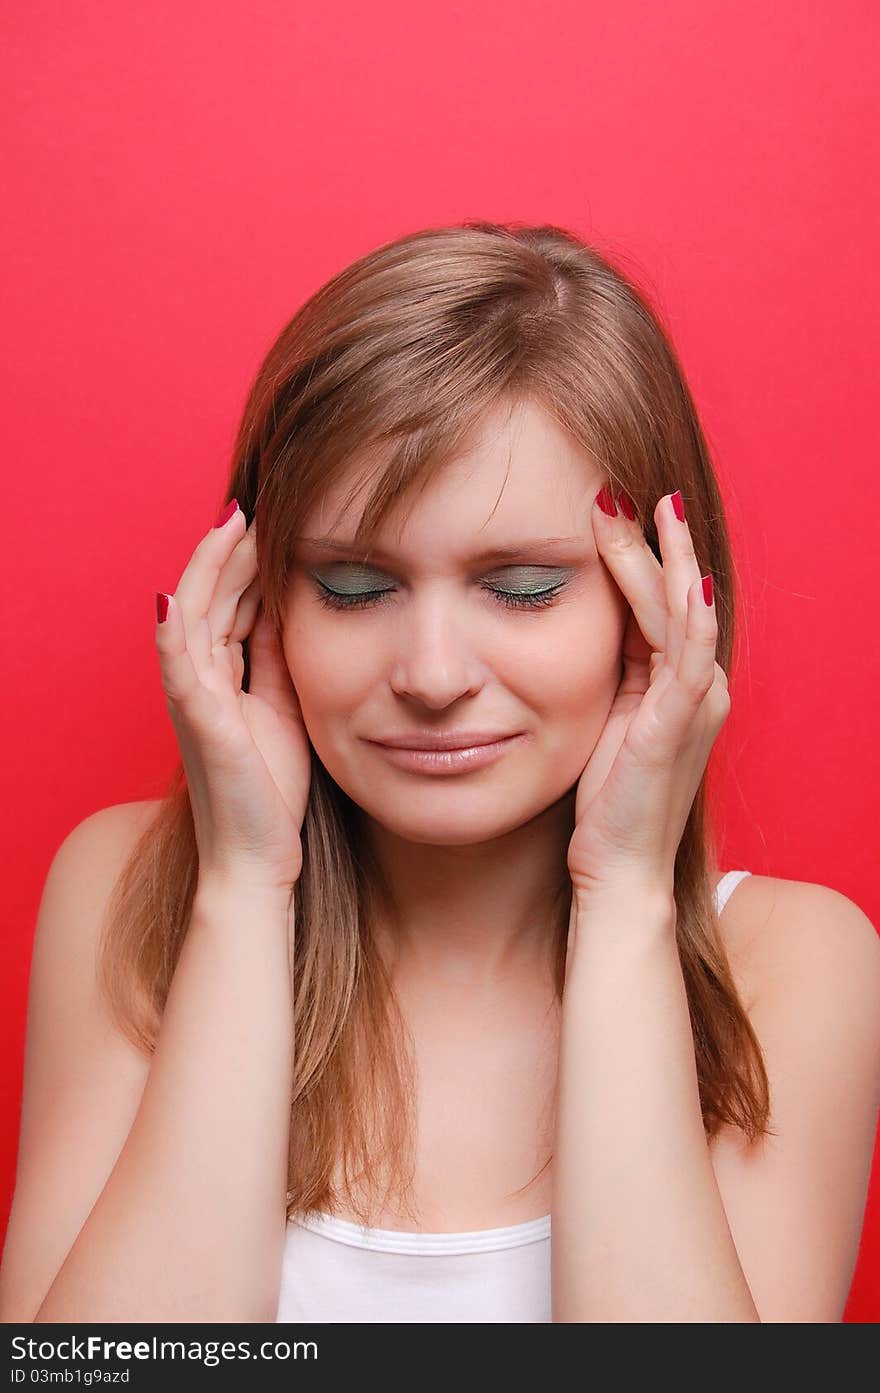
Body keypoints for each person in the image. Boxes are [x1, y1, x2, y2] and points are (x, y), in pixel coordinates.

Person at [2, 221, 879, 1324]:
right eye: (355, 586)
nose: (429, 674)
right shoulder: (131, 887)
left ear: (655, 603)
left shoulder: (795, 965)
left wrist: (623, 899)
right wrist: (243, 885)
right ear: (260, 599)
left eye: (518, 586)